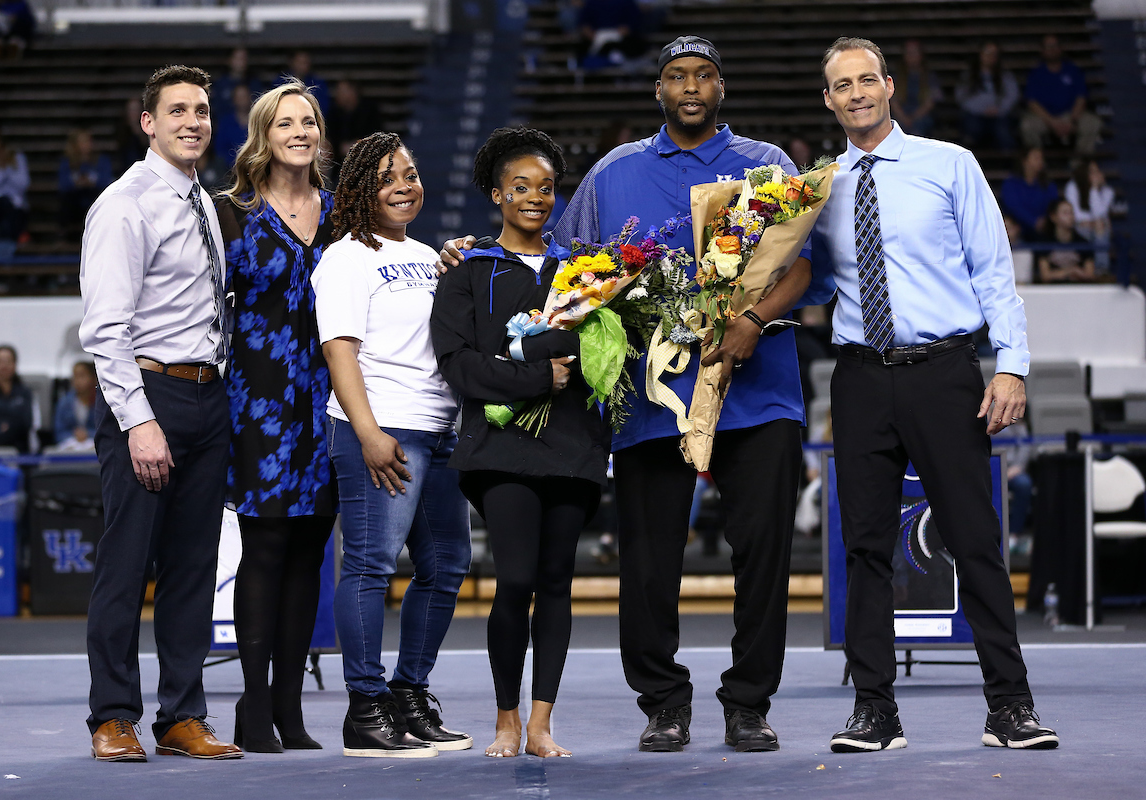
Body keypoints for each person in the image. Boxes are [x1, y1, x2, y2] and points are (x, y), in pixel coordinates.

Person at [443, 35, 817, 755]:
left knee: (764, 552)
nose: (691, 87)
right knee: (647, 558)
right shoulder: (615, 172)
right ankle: (663, 702)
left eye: (705, 75)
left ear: (720, 87)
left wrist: (750, 320)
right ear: (658, 90)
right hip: (649, 398)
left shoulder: (769, 167)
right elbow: (560, 267)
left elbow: (806, 265)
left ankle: (748, 704)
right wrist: (470, 251)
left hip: (755, 388)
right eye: (677, 75)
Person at [813, 36, 1059, 752]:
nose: (855, 93)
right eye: (841, 85)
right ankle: (874, 711)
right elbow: (817, 283)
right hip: (858, 377)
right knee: (862, 547)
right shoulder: (816, 187)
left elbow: (993, 269)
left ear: (890, 86)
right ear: (828, 100)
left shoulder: (950, 163)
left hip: (945, 373)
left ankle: (1009, 707)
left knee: (975, 538)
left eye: (866, 79)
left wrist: (1010, 365)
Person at [79, 65, 240, 762]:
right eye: (176, 110)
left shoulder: (202, 200)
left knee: (192, 568)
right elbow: (104, 330)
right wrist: (139, 420)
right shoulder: (126, 203)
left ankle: (182, 715)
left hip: (209, 396)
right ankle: (113, 716)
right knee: (125, 564)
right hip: (149, 397)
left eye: (201, 110)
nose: (192, 121)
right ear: (148, 122)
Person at [432, 127, 606, 759]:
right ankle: (506, 717)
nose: (536, 197)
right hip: (500, 452)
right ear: (498, 194)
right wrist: (540, 374)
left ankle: (541, 723)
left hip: (574, 447)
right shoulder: (467, 271)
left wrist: (550, 358)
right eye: (521, 187)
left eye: (546, 187)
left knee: (557, 581)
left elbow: (598, 352)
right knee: (516, 579)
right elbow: (460, 366)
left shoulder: (586, 274)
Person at [312, 132, 472, 758]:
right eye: (387, 178)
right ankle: (365, 708)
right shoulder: (346, 257)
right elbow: (339, 351)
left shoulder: (430, 253)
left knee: (447, 566)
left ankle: (409, 696)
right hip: (382, 431)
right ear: (359, 192)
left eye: (409, 172)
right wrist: (369, 431)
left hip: (439, 429)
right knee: (372, 567)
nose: (404, 185)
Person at [214, 81, 337, 753]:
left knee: (308, 553)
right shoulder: (230, 210)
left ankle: (291, 709)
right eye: (286, 121)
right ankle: (253, 706)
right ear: (263, 135)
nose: (299, 130)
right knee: (263, 550)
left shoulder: (343, 212)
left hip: (325, 403)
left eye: (309, 120)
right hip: (257, 402)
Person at [1022, 34, 1101, 156]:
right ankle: (1038, 163)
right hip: (1045, 118)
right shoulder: (1036, 73)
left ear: (1060, 48)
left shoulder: (1073, 70)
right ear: (1042, 50)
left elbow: (1081, 97)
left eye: (1055, 46)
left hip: (1070, 115)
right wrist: (1052, 122)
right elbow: (1032, 102)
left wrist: (1072, 120)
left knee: (1093, 123)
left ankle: (1080, 166)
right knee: (1027, 126)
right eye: (1048, 46)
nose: (1052, 49)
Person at [956, 41, 1019, 152]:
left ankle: (1006, 164)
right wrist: (982, 110)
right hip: (975, 115)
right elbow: (961, 97)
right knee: (971, 129)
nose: (990, 57)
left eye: (994, 53)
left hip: (999, 115)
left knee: (1004, 133)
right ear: (980, 54)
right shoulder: (969, 75)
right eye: (987, 53)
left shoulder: (1006, 76)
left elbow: (1012, 96)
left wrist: (998, 109)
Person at [58, 128, 113, 242]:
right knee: (67, 200)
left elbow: (107, 181)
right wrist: (77, 183)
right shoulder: (67, 162)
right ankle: (67, 238)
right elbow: (63, 184)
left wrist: (91, 182)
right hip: (75, 201)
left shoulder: (101, 160)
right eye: (82, 142)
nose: (86, 145)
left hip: (94, 198)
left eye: (88, 141)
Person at [1064, 158, 1114, 270]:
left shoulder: (1107, 191)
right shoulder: (1072, 186)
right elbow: (1075, 214)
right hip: (1079, 226)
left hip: (1097, 227)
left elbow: (1100, 213)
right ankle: (1088, 268)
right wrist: (1093, 222)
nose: (1096, 175)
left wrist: (1094, 189)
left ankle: (1101, 270)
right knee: (1097, 226)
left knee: (1101, 226)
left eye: (1097, 171)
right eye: (1092, 171)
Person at [1036, 198, 1096, 284]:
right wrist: (1071, 271)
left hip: (1078, 289)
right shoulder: (1044, 243)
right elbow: (1045, 275)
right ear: (1053, 217)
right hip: (1053, 291)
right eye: (1065, 213)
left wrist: (1059, 274)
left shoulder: (1083, 243)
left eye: (1071, 213)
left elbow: (1090, 275)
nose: (1070, 217)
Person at [1000, 147, 1057, 238]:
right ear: (1024, 161)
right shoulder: (1011, 183)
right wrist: (1033, 221)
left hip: (1045, 232)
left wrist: (1046, 222)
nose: (1040, 161)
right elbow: (1013, 206)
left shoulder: (1048, 184)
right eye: (1036, 158)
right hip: (1017, 232)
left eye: (1041, 158)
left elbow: (1054, 205)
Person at [324, 78, 383, 162]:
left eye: (342, 91)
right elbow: (330, 137)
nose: (338, 94)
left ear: (353, 92)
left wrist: (356, 145)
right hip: (338, 161)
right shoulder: (334, 112)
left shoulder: (369, 111)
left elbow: (376, 137)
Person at [889, 39, 939, 138]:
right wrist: (904, 118)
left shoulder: (929, 77)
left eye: (915, 52)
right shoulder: (896, 77)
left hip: (921, 117)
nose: (911, 56)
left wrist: (913, 118)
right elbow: (893, 101)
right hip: (901, 116)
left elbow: (930, 103)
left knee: (921, 125)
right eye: (908, 53)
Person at [53, 360, 98, 449]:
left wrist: (88, 434)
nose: (77, 381)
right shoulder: (64, 402)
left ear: (93, 378)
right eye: (75, 376)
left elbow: (106, 431)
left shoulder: (101, 403)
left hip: (94, 446)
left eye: (82, 376)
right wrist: (74, 436)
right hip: (70, 445)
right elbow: (58, 433)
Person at [211, 46, 264, 120]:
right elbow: (216, 108)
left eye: (243, 58)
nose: (241, 62)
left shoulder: (254, 83)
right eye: (238, 58)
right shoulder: (220, 84)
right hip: (225, 125)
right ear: (229, 60)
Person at [213, 82, 251, 170]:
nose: (241, 100)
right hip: (229, 169)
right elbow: (220, 149)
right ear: (234, 99)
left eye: (244, 96)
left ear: (250, 97)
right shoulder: (225, 122)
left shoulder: (258, 121)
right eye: (239, 97)